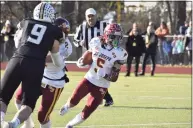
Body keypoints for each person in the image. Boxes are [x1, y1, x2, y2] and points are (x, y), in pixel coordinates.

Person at [0, 2, 65, 128]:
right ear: (51, 15)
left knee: (2, 98)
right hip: (35, 64)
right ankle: (13, 124)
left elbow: (18, 42)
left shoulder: (25, 22)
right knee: (28, 105)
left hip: (17, 59)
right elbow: (57, 60)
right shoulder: (55, 31)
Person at [59, 23, 128, 128]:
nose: (116, 40)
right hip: (89, 78)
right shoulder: (96, 42)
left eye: (118, 37)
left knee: (88, 110)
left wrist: (105, 75)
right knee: (74, 100)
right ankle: (67, 106)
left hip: (102, 85)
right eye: (113, 36)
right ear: (106, 35)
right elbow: (89, 54)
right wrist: (82, 60)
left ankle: (70, 125)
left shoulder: (120, 53)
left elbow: (114, 77)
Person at [13, 17, 72, 128]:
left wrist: (32, 56)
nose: (64, 34)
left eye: (66, 31)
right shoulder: (45, 36)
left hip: (54, 82)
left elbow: (50, 58)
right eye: (62, 31)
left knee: (42, 116)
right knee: (19, 98)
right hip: (40, 75)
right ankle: (28, 123)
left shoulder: (66, 45)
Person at [73, 8, 113, 107]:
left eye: (92, 16)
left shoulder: (103, 25)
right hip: (90, 55)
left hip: (102, 55)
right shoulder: (82, 27)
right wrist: (79, 42)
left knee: (97, 77)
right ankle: (102, 98)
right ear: (86, 17)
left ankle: (104, 98)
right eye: (89, 16)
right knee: (96, 77)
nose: (90, 18)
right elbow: (75, 39)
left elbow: (111, 35)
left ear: (96, 16)